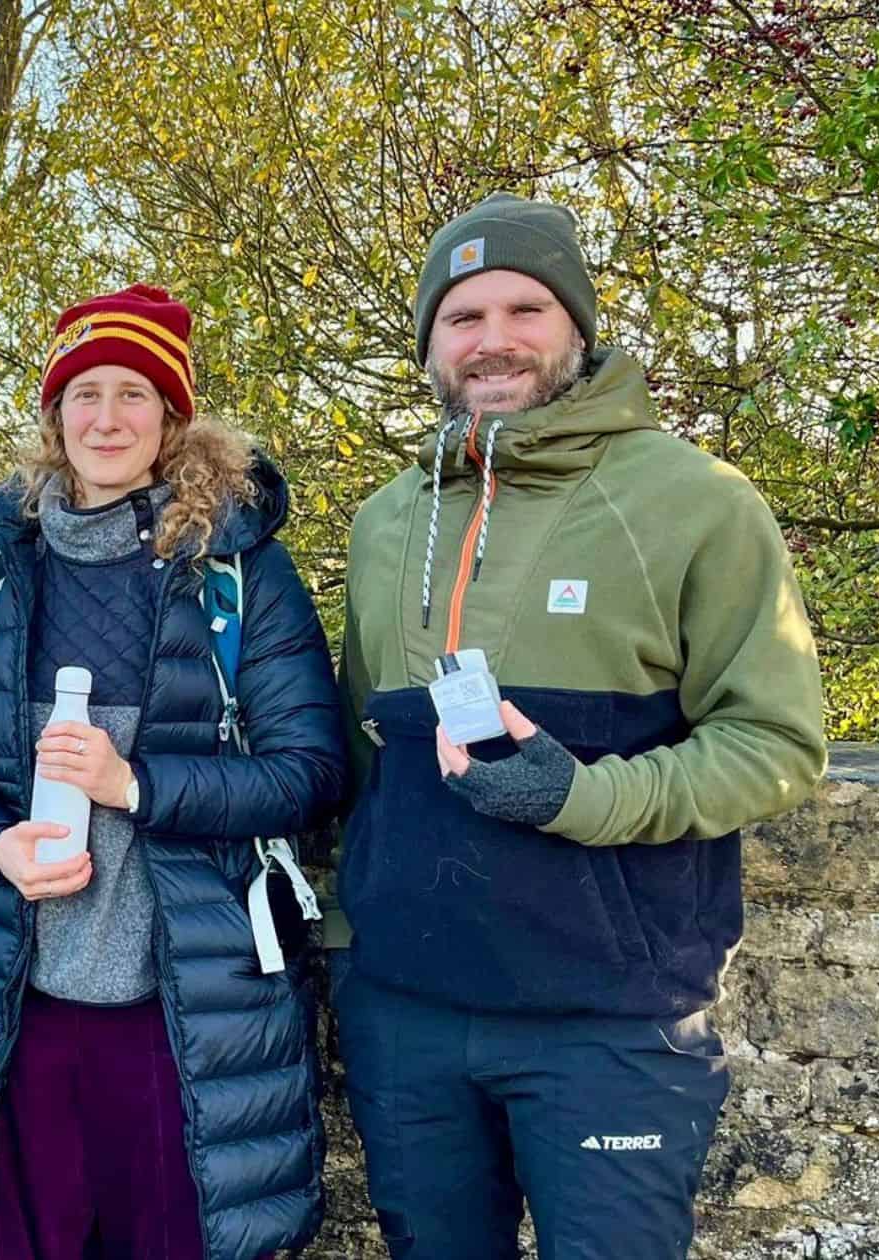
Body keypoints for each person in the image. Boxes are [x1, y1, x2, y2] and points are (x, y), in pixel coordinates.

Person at [330, 192, 829, 1259]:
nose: (493, 340)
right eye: (461, 317)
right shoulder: (384, 522)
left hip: (609, 1020)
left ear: (576, 328)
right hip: (406, 1013)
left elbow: (776, 742)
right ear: (428, 343)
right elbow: (361, 756)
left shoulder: (696, 502)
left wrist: (583, 797)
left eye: (524, 309)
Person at [0, 284, 347, 1259]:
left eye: (133, 394)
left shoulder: (237, 569)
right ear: (52, 416)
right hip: (14, 1002)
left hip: (184, 1011)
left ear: (171, 419)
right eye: (83, 393)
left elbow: (308, 771)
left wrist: (135, 786)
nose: (105, 417)